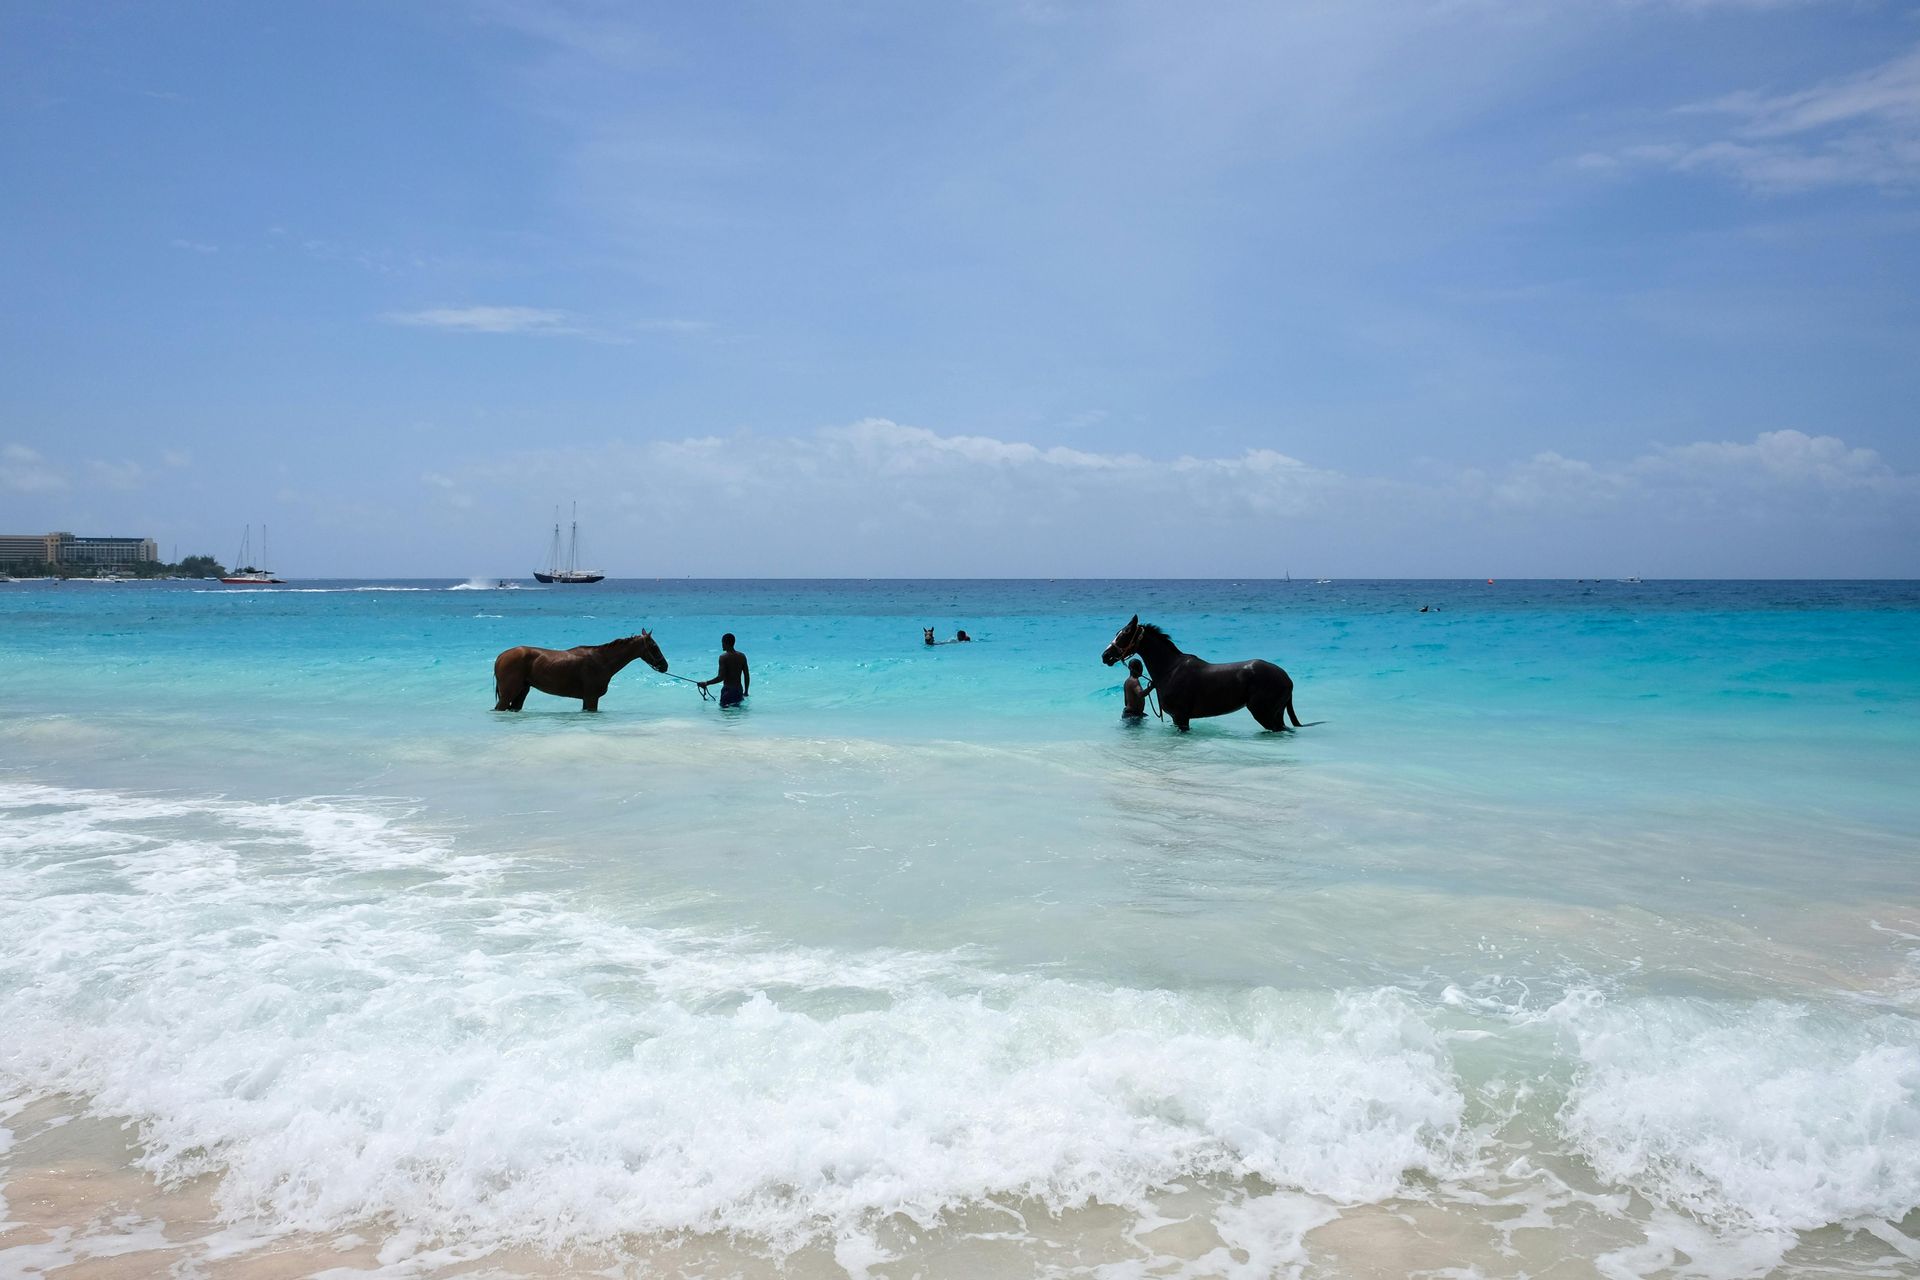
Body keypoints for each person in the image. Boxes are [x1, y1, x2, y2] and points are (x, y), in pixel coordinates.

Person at [698, 633, 750, 707]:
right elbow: (746, 675)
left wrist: (706, 683)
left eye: (722, 643)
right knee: (737, 714)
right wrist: (746, 691)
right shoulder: (742, 656)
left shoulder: (723, 657)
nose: (722, 645)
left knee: (725, 714)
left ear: (725, 643)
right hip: (739, 690)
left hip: (728, 691)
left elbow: (721, 677)